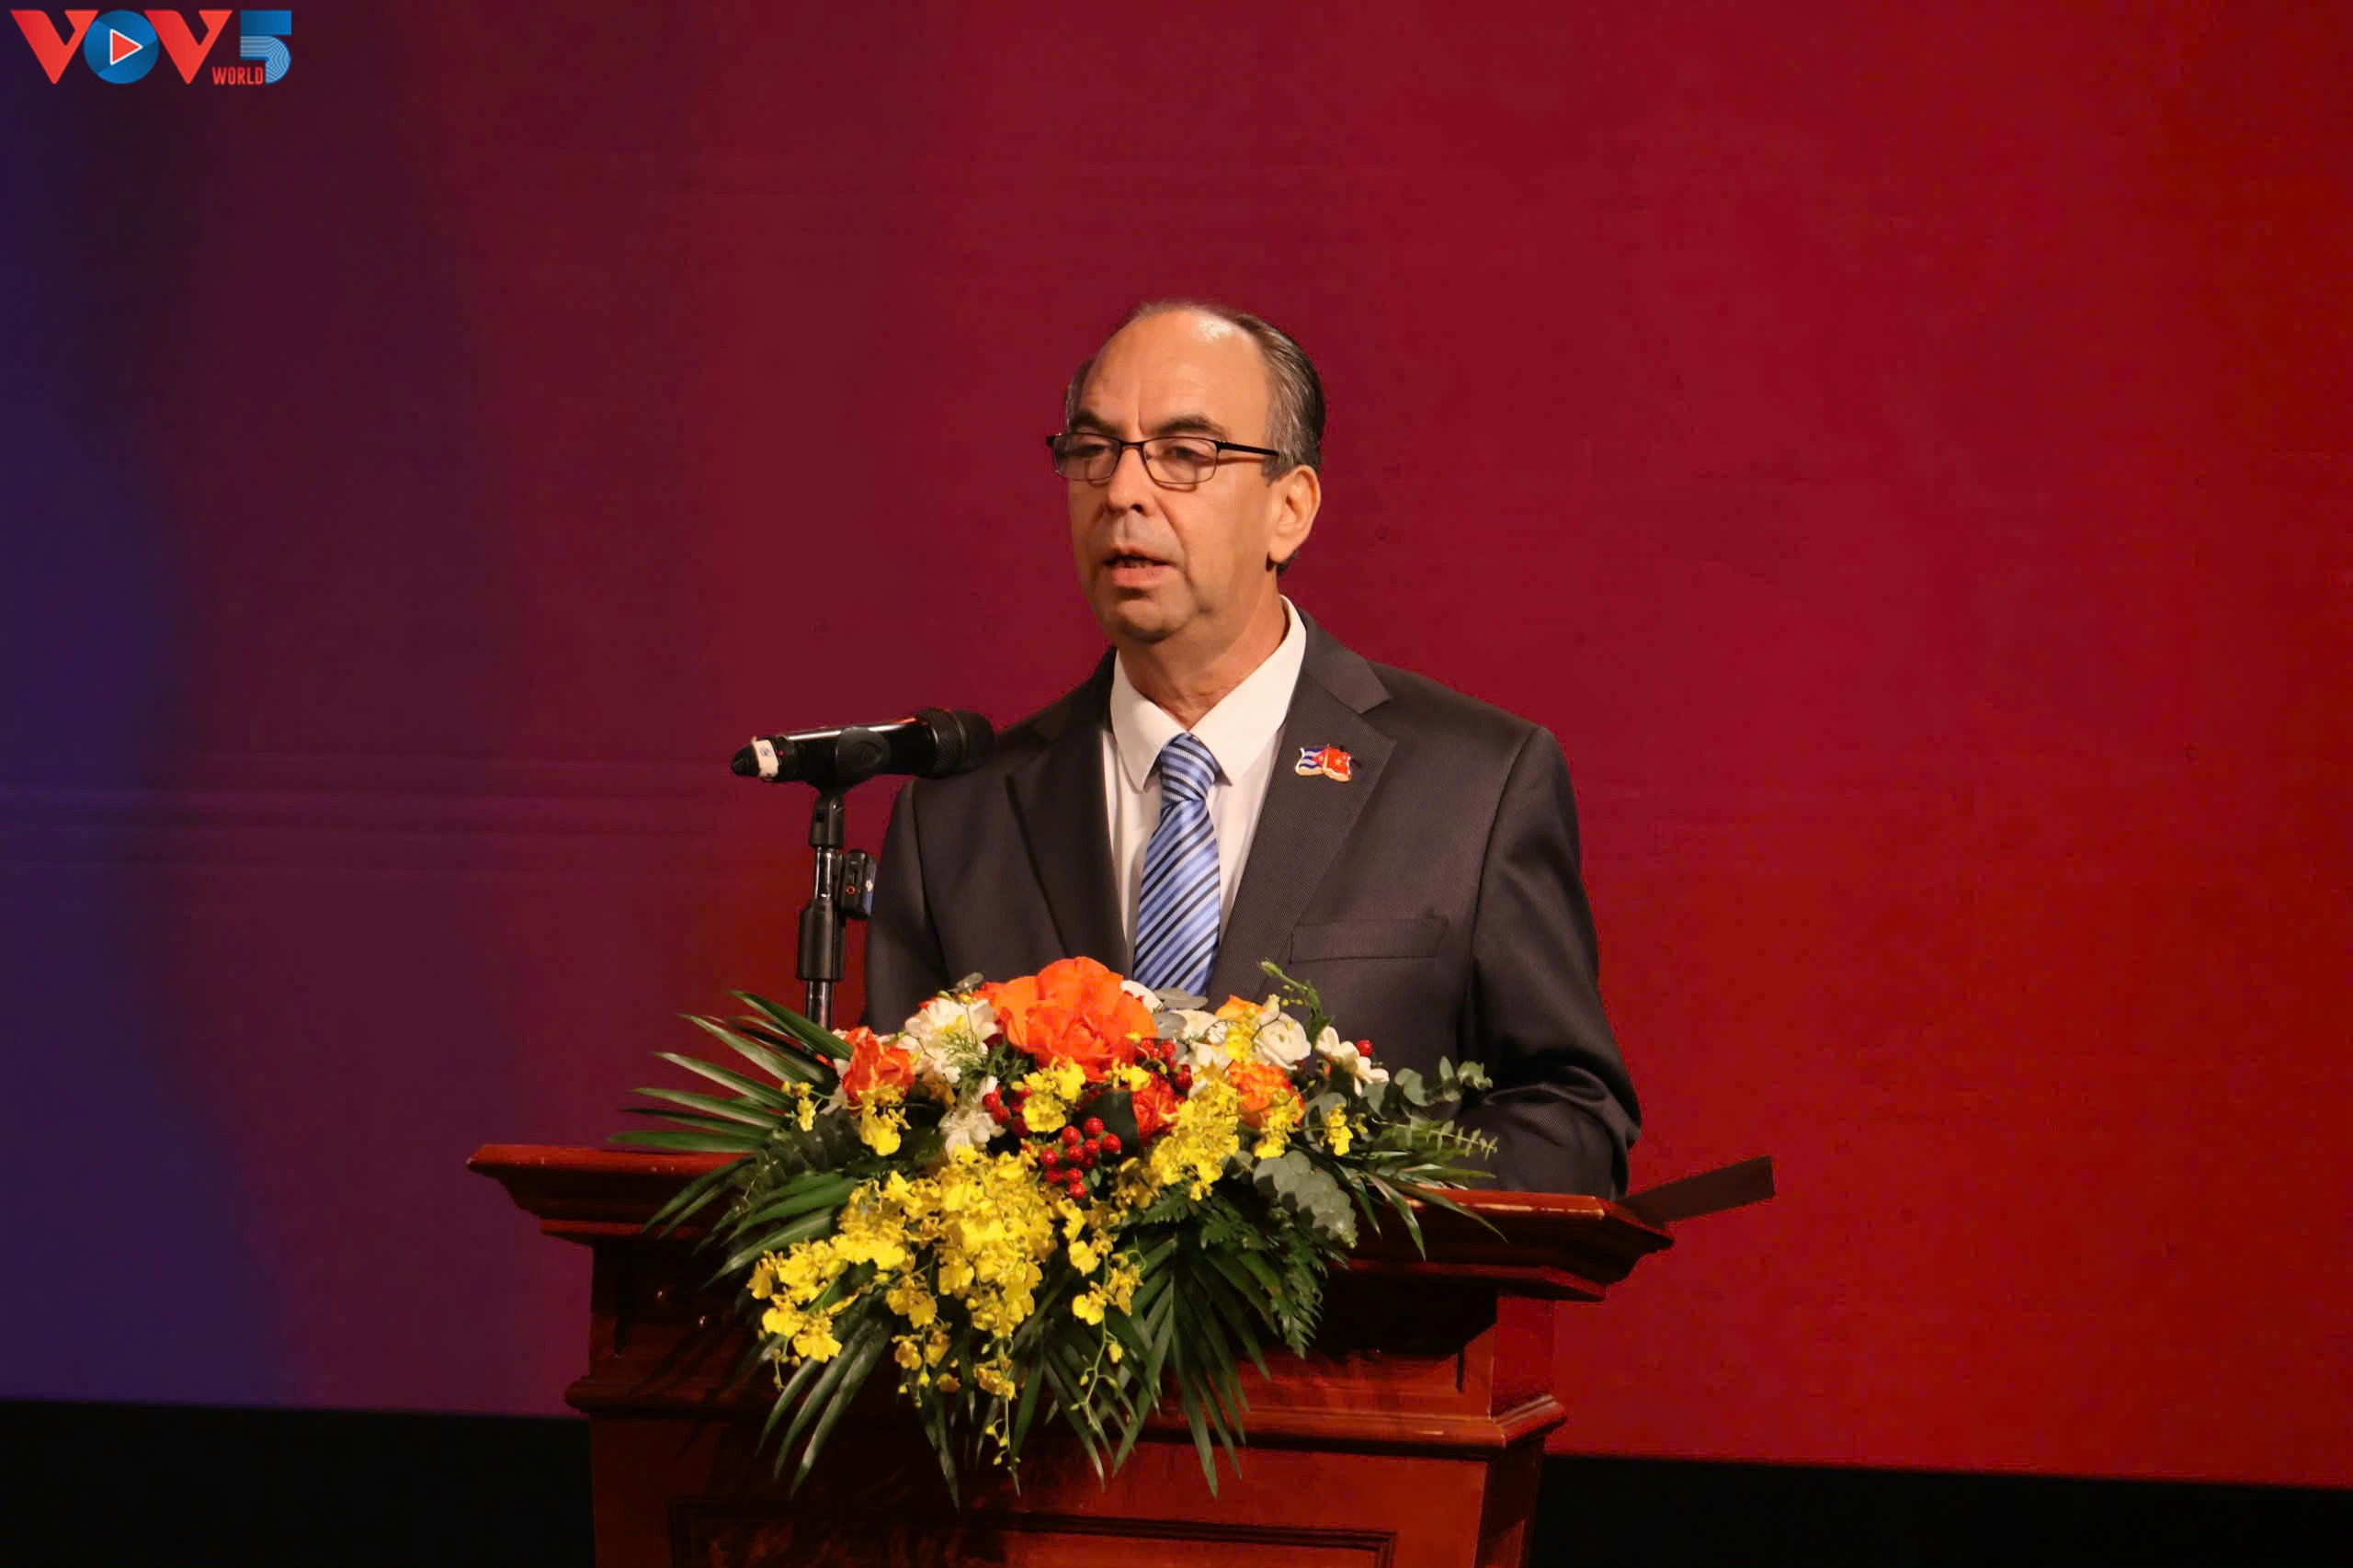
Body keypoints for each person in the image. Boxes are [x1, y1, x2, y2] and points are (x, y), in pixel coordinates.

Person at [862, 301, 1639, 1194]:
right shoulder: (957, 820)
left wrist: (1326, 1195)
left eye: (1184, 454)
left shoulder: (1472, 786)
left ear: (1290, 509)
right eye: (1094, 450)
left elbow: (1574, 1121)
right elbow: (893, 1148)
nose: (1122, 491)